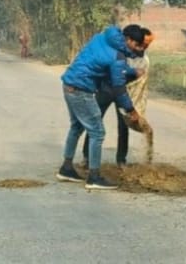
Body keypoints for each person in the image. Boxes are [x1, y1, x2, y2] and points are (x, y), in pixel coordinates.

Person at [56, 24, 145, 190]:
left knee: (77, 127)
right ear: (129, 40)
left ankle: (66, 168)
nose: (137, 49)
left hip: (69, 83)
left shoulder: (104, 37)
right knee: (97, 132)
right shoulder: (118, 56)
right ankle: (94, 177)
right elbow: (119, 88)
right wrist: (131, 110)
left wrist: (132, 72)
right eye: (136, 45)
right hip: (81, 89)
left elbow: (111, 65)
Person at [82, 28, 154, 166]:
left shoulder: (144, 58)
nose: (142, 47)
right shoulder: (118, 50)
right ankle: (87, 157)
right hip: (107, 89)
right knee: (96, 121)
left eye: (144, 45)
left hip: (123, 93)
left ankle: (121, 160)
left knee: (123, 126)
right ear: (130, 41)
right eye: (140, 44)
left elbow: (138, 83)